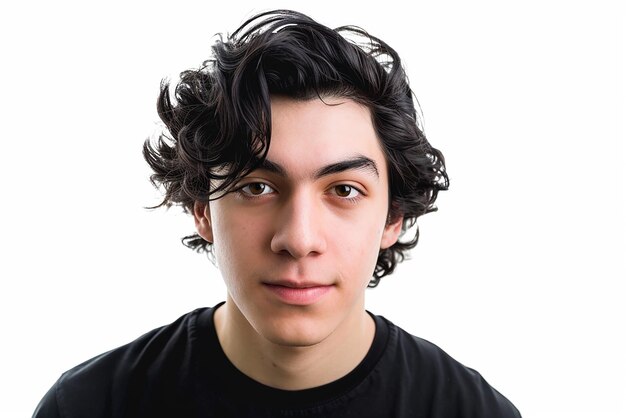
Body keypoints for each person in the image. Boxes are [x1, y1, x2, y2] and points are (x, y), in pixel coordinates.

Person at [33, 9, 521, 418]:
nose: (299, 238)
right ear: (202, 207)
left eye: (345, 190)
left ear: (393, 217)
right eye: (258, 186)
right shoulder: (89, 407)